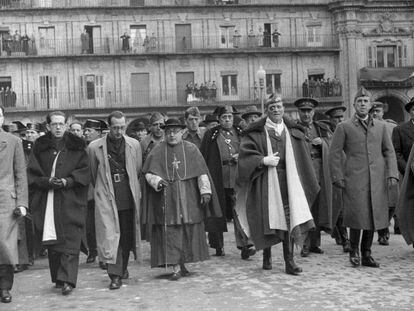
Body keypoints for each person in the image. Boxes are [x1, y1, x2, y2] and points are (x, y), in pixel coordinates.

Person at [238, 95, 318, 274]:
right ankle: (267, 254)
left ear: (284, 109)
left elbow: (303, 157)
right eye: (272, 106)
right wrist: (262, 160)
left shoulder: (293, 131)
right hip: (266, 182)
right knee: (269, 219)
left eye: (279, 106)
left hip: (289, 183)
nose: (276, 109)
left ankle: (289, 261)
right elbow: (245, 155)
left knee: (289, 220)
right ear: (267, 110)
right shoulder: (257, 132)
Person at [143, 118, 221, 280]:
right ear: (165, 133)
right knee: (170, 231)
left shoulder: (192, 149)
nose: (172, 135)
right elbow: (148, 173)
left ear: (182, 132)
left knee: (188, 229)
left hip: (189, 196)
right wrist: (156, 181)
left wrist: (205, 191)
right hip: (166, 197)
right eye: (168, 132)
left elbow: (201, 172)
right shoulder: (157, 150)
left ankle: (184, 262)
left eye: (175, 132)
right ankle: (175, 267)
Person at [329, 87, 398, 268]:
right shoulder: (344, 127)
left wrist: (392, 173)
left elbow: (389, 151)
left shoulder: (381, 127)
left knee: (373, 216)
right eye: (359, 101)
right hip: (354, 179)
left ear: (370, 105)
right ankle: (354, 252)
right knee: (357, 216)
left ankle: (367, 253)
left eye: (365, 101)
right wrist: (337, 176)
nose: (362, 104)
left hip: (376, 180)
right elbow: (334, 153)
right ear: (354, 105)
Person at [27, 111, 90, 295]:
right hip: (48, 199)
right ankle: (58, 278)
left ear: (66, 125)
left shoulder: (77, 145)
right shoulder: (40, 145)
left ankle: (69, 280)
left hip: (70, 198)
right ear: (48, 126)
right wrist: (46, 181)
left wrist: (67, 181)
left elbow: (85, 171)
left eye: (61, 124)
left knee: (71, 237)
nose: (58, 127)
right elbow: (32, 171)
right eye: (54, 124)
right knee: (53, 239)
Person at [87, 111, 142, 290]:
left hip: (127, 194)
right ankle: (115, 275)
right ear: (108, 127)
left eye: (122, 127)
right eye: (115, 127)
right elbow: (93, 175)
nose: (119, 131)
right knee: (111, 236)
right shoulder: (95, 148)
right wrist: (103, 191)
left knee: (126, 234)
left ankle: (123, 267)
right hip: (107, 196)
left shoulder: (134, 145)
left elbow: (138, 170)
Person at [200, 105, 243, 256]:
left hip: (237, 178)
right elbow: (203, 156)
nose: (227, 120)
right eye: (224, 117)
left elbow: (249, 150)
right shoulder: (211, 134)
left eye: (230, 117)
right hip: (218, 178)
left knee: (240, 211)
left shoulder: (240, 133)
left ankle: (245, 244)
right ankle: (218, 245)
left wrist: (241, 156)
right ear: (219, 119)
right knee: (217, 212)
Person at [294, 98, 333, 258]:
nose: (306, 114)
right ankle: (304, 243)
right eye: (303, 111)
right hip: (302, 171)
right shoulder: (293, 129)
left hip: (319, 169)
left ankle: (315, 243)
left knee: (318, 207)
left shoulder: (322, 128)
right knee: (305, 207)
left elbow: (333, 145)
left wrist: (323, 142)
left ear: (314, 112)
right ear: (299, 112)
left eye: (309, 111)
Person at [0, 106, 28, 303]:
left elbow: (20, 174)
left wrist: (22, 202)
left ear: (2, 118)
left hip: (5, 202)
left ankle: (4, 288)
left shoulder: (13, 142)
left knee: (5, 246)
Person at [369, 102, 398, 246]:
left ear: (383, 113)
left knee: (393, 203)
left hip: (390, 169)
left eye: (378, 111)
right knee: (380, 202)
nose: (375, 114)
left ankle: (385, 224)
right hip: (375, 170)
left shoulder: (392, 127)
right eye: (373, 111)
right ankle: (383, 232)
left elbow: (395, 150)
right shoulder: (367, 128)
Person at [324, 106, 351, 252]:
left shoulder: (348, 131)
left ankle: (339, 233)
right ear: (331, 120)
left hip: (349, 172)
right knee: (338, 207)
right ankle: (345, 239)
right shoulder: (327, 134)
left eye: (341, 117)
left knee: (347, 206)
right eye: (336, 118)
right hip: (333, 174)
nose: (340, 120)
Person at [391, 97, 414, 235]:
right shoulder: (400, 130)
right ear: (410, 112)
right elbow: (396, 153)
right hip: (409, 176)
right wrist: (407, 169)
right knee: (411, 207)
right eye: (413, 109)